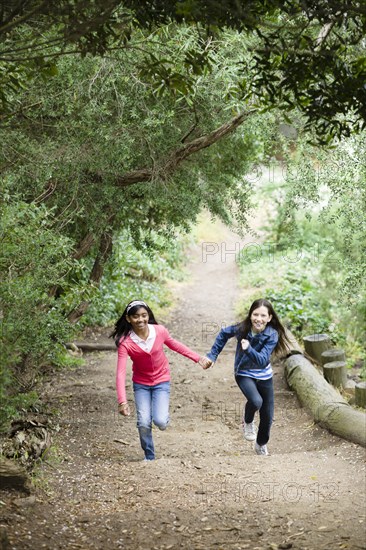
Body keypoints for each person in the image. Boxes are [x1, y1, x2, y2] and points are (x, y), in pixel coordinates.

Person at [110, 299, 212, 461]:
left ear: (148, 315)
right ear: (129, 319)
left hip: (161, 381)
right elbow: (120, 372)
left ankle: (161, 416)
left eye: (144, 315)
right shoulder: (125, 342)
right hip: (141, 384)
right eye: (136, 316)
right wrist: (122, 401)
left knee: (161, 421)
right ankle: (149, 456)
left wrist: (198, 358)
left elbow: (176, 345)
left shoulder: (159, 331)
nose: (141, 320)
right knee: (143, 422)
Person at [204, 298, 291, 456]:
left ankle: (260, 444)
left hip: (264, 375)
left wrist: (249, 348)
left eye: (263, 315)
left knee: (267, 415)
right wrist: (212, 356)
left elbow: (263, 360)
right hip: (243, 373)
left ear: (270, 318)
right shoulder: (242, 329)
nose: (259, 318)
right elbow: (223, 334)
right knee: (256, 401)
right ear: (250, 315)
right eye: (255, 314)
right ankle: (248, 421)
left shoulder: (272, 334)